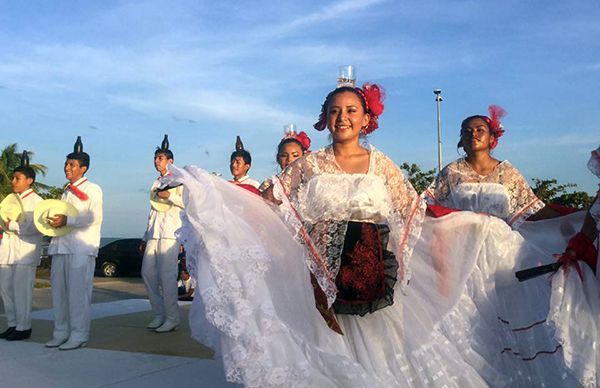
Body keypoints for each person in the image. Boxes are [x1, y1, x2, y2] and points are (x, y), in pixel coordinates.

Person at [166, 83, 510, 387]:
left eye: (350, 110)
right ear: (325, 118)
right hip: (317, 282)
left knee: (380, 359)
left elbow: (416, 212)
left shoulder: (383, 165)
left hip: (371, 278)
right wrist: (208, 191)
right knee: (323, 353)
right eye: (334, 111)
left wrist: (473, 223)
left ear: (365, 119)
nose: (342, 117)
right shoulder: (309, 164)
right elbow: (266, 200)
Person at [423, 107, 599, 386]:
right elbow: (431, 209)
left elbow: (533, 210)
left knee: (505, 310)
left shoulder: (507, 172)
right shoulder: (451, 173)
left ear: (492, 137)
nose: (473, 134)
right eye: (467, 131)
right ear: (460, 139)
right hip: (463, 251)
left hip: (501, 252)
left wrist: (576, 216)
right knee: (468, 314)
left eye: (479, 129)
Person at [45, 136, 103, 350]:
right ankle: (60, 332)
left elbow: (94, 217)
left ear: (83, 168)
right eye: (66, 164)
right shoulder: (65, 191)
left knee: (78, 293)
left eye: (72, 165)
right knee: (59, 292)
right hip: (61, 246)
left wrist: (68, 220)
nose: (67, 168)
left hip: (81, 247)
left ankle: (79, 334)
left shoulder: (93, 189)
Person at [140, 134, 184, 333]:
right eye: (156, 158)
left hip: (170, 232)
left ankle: (172, 317)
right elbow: (153, 209)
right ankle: (159, 313)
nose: (157, 162)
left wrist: (171, 195)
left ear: (170, 161)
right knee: (147, 273)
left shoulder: (179, 179)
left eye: (161, 158)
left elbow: (186, 204)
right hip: (154, 233)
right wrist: (145, 235)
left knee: (168, 277)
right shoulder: (155, 182)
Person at [0, 151, 44, 341]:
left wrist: (14, 225)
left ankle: (23, 326)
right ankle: (12, 323)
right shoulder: (9, 201)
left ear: (29, 180)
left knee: (22, 291)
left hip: (25, 251)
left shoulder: (37, 202)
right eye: (14, 178)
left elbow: (38, 227)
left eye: (18, 178)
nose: (14, 182)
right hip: (7, 249)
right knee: (5, 289)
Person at [258, 127, 311, 192]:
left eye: (295, 155)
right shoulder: (269, 185)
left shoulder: (312, 182)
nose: (289, 159)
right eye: (284, 156)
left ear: (304, 157)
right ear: (278, 158)